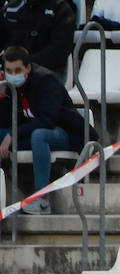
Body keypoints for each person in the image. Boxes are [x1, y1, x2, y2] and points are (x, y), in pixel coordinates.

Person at [0, 46, 96, 213]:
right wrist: (3, 98)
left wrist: (12, 134)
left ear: (28, 68)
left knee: (39, 135)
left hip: (66, 132)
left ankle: (41, 199)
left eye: (17, 70)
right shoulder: (11, 86)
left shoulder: (46, 80)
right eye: (9, 71)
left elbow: (47, 120)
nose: (13, 75)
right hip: (29, 132)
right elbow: (8, 121)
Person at [0, 0, 75, 77]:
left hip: (45, 73)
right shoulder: (10, 10)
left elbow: (59, 51)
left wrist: (24, 64)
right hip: (8, 70)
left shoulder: (61, 10)